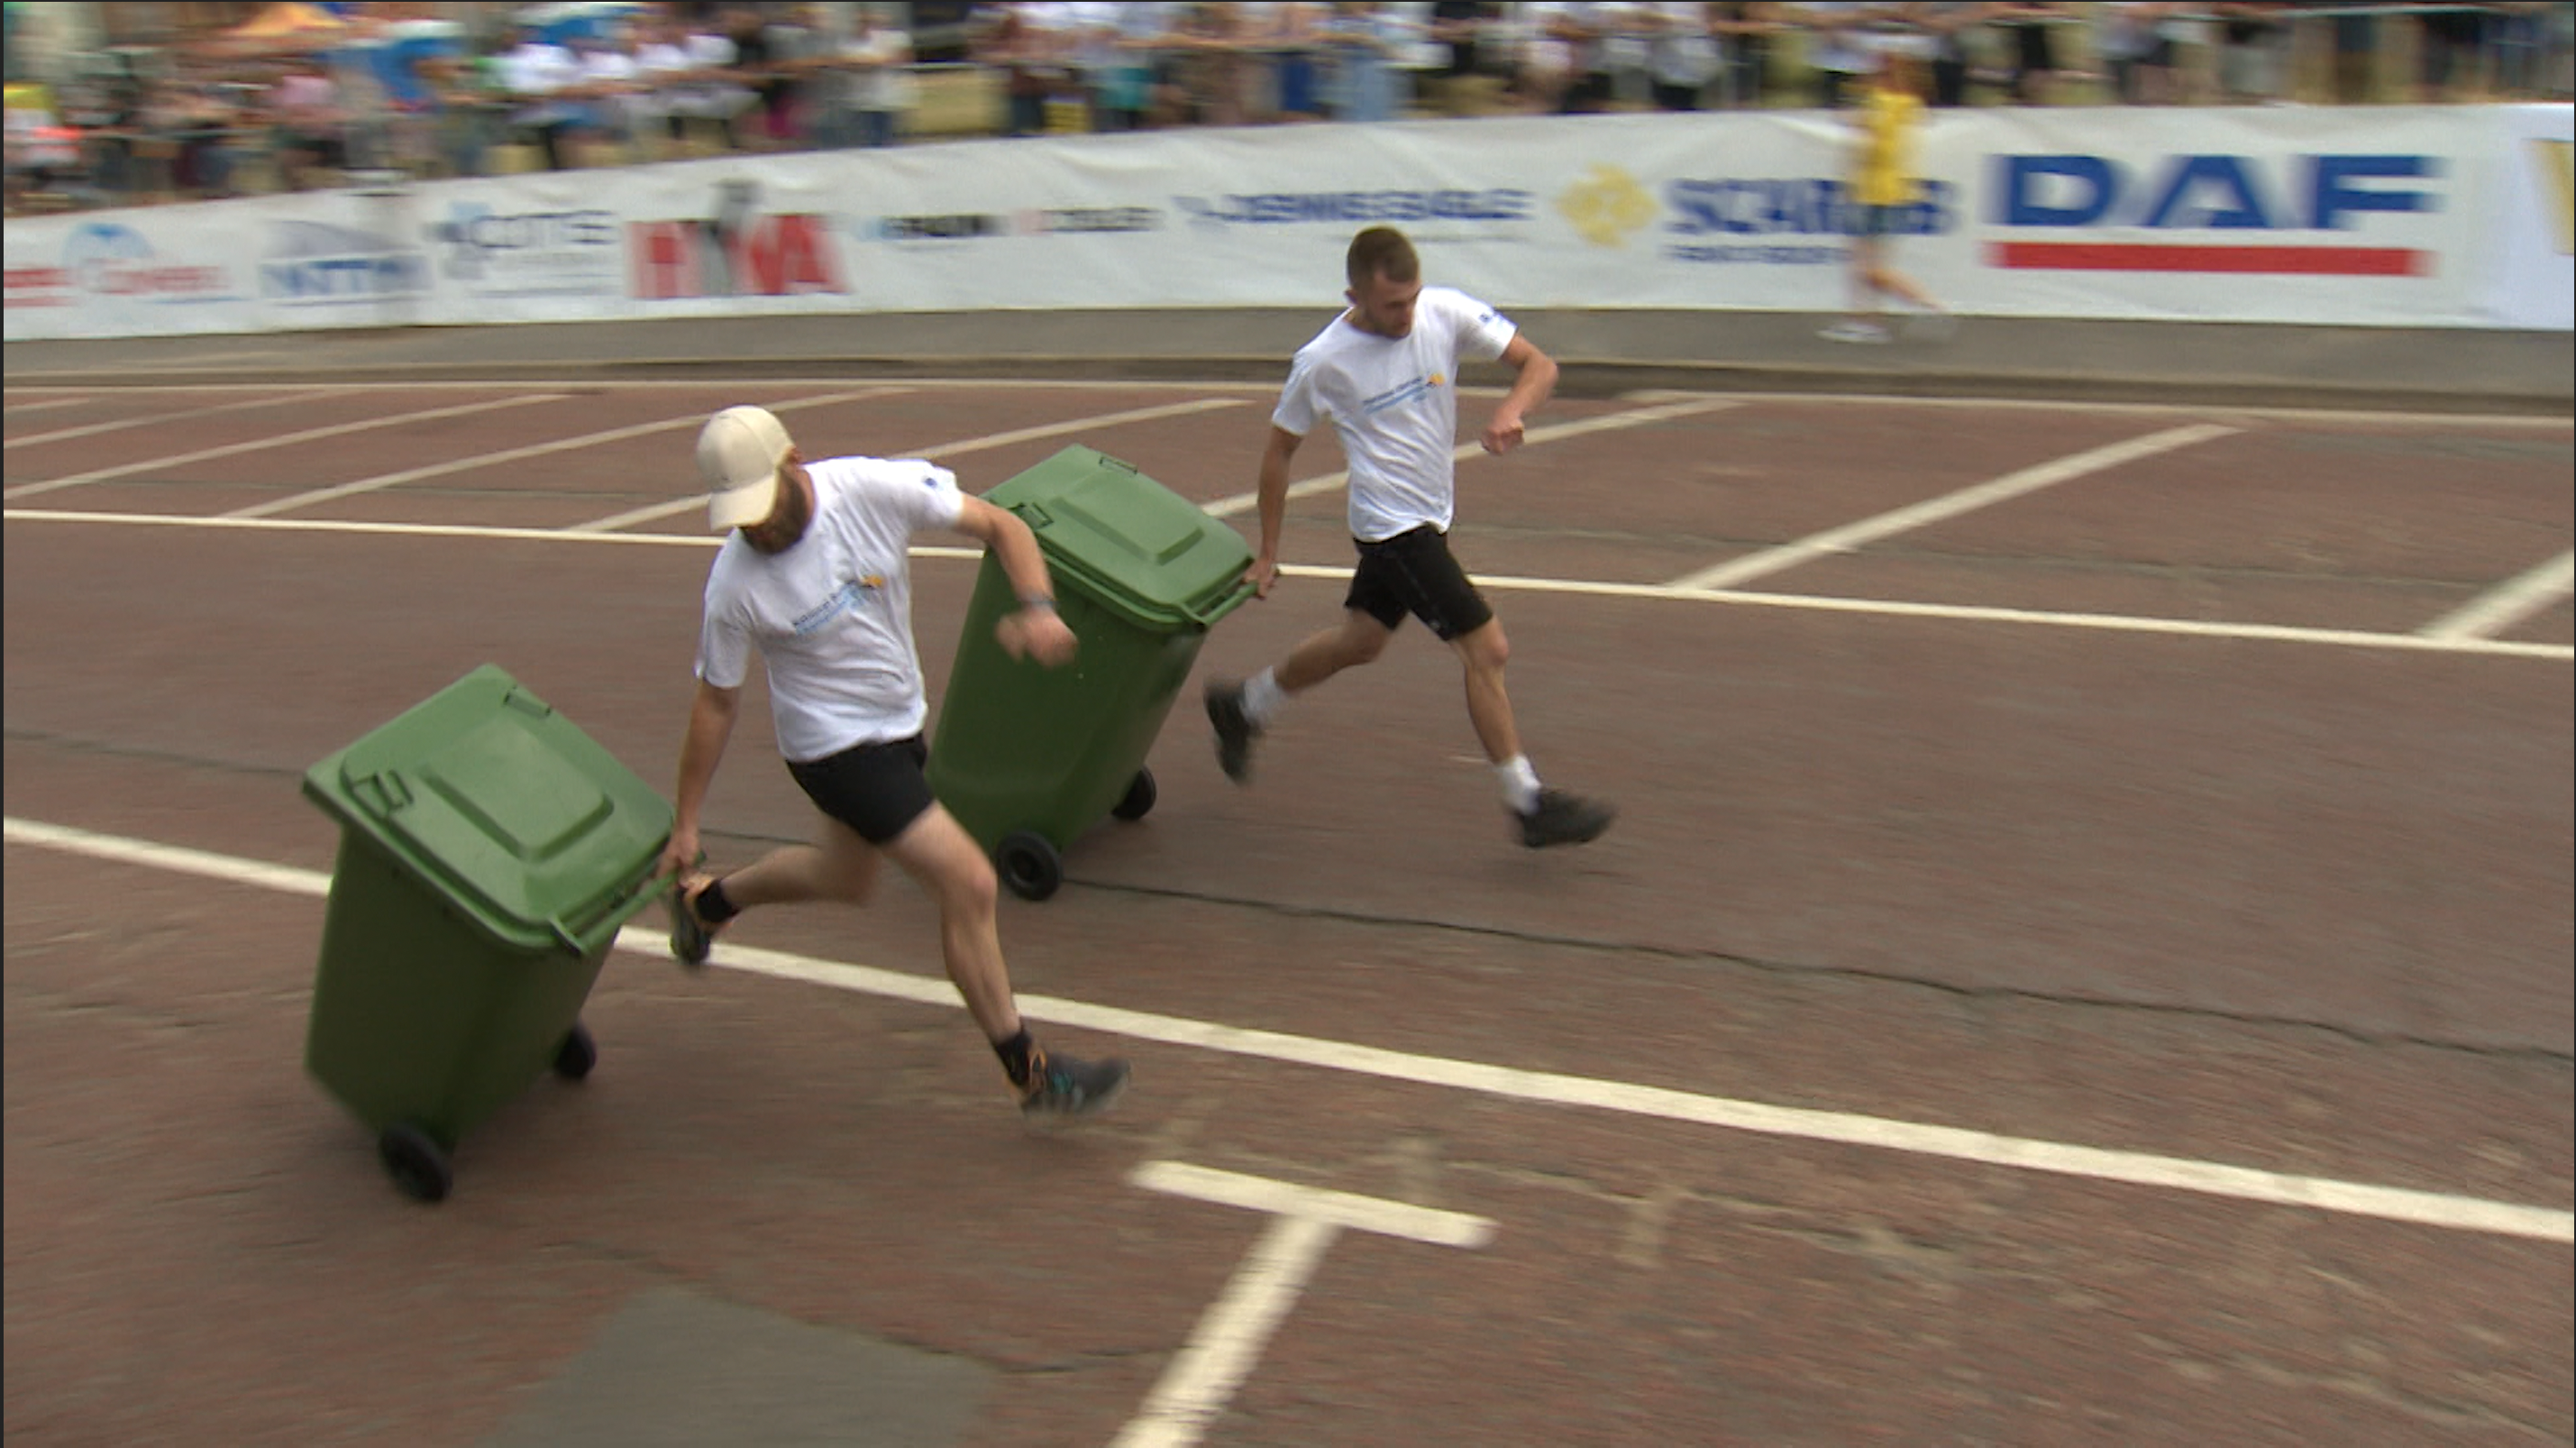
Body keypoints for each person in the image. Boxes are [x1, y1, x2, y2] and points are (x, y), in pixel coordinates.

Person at [662, 405, 1130, 1119]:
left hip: (898, 721)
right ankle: (1027, 1072)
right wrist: (686, 821)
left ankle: (708, 904)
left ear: (794, 461)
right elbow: (716, 704)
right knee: (970, 881)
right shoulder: (734, 587)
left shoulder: (870, 491)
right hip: (831, 750)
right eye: (740, 518)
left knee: (844, 878)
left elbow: (1004, 525)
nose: (757, 529)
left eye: (762, 507)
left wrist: (1038, 606)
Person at [1202, 227, 1617, 851]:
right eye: (1391, 305)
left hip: (1431, 517)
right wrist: (1267, 552)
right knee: (1488, 649)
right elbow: (1278, 454)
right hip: (1391, 529)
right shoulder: (1322, 360)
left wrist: (1513, 410)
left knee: (1361, 642)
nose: (1406, 316)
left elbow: (1539, 364)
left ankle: (1244, 706)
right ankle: (1525, 800)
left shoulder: (1443, 312)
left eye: (1411, 299)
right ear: (1354, 295)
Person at [1822, 45, 1948, 344]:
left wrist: (1859, 125)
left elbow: (1877, 145)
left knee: (1869, 266)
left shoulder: (1881, 103)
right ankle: (1866, 319)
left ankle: (1925, 305)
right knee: (1868, 262)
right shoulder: (1911, 105)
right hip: (1895, 189)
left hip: (1874, 189)